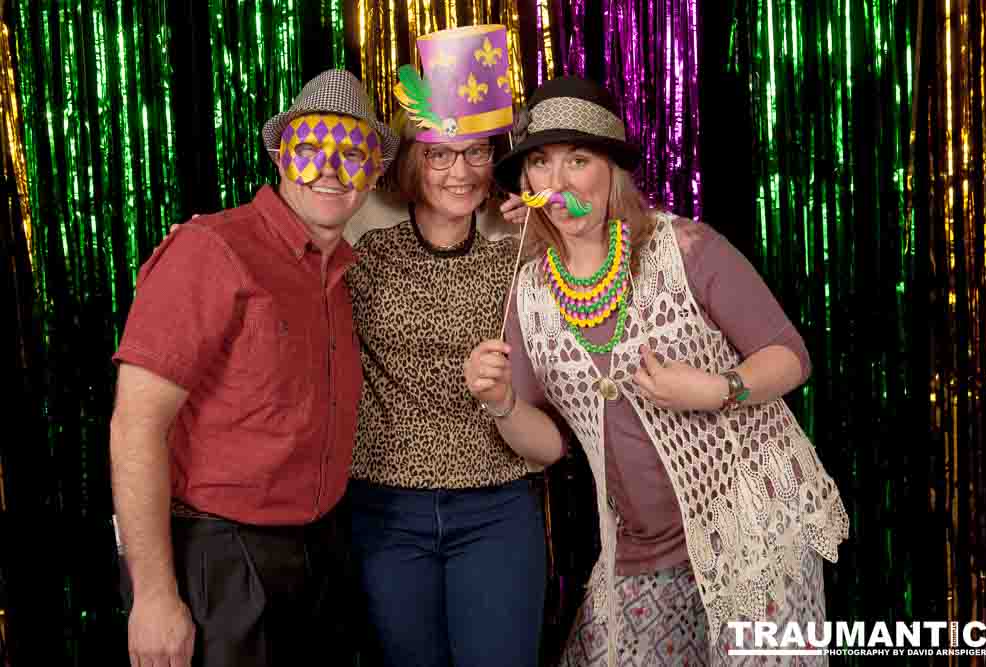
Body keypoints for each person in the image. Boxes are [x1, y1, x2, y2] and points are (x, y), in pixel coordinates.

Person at [464, 75, 850, 666]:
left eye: (579, 159)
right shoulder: (531, 295)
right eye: (541, 164)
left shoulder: (685, 248)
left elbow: (789, 356)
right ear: (526, 183)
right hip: (642, 548)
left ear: (611, 171)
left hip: (753, 520)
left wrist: (719, 388)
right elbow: (546, 447)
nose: (559, 181)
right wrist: (500, 404)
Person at [109, 69, 398, 667]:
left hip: (321, 548)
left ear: (371, 174)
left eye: (352, 156)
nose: (329, 168)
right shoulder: (211, 250)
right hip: (220, 555)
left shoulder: (342, 272)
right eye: (310, 149)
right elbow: (134, 426)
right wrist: (155, 596)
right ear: (281, 157)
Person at [341, 25, 550, 667]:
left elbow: (610, 233)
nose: (459, 172)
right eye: (440, 155)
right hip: (385, 509)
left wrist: (548, 221)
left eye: (477, 153)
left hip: (498, 505)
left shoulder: (517, 240)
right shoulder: (362, 237)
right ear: (412, 159)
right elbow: (280, 241)